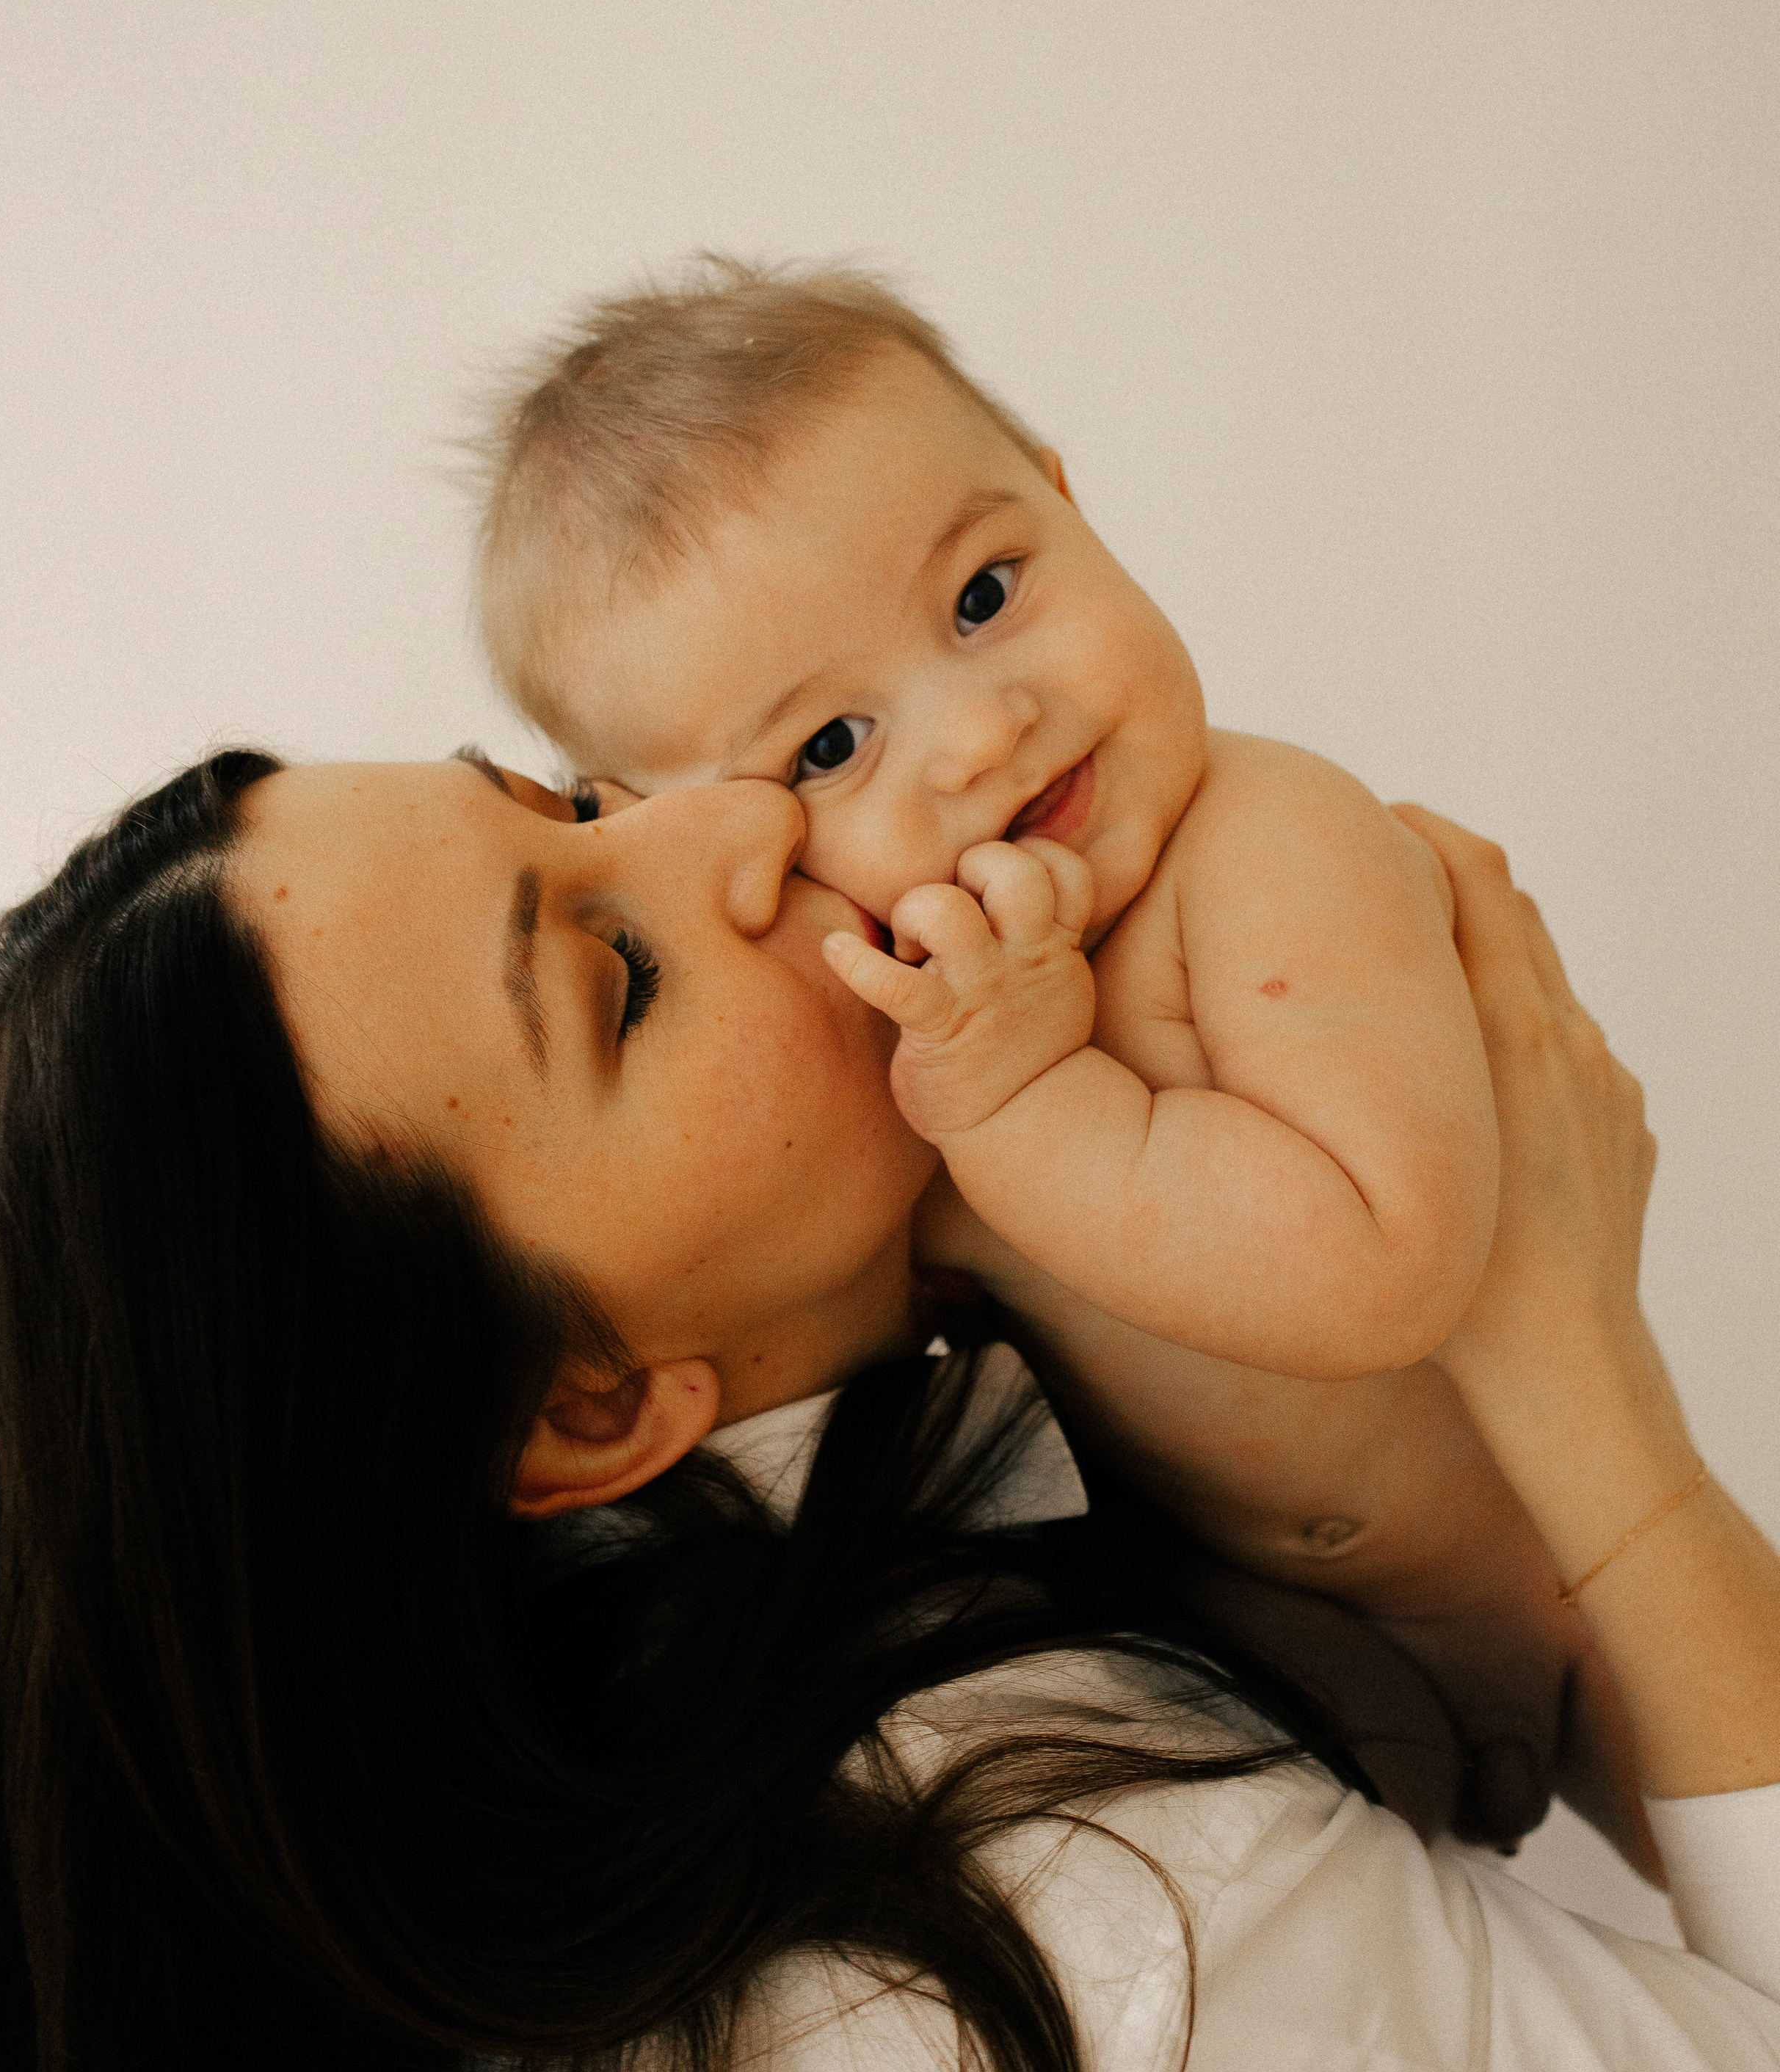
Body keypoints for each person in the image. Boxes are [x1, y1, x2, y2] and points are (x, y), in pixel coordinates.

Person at [0, 750, 1774, 2072]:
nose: (743, 815)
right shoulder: (1088, 1966)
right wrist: (1573, 1371)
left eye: (570, 802)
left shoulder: (650, 1852)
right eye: (615, 977)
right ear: (597, 1405)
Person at [473, 258, 1499, 1381]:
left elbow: (1383, 1272)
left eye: (984, 595)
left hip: (1531, 1563)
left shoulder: (1268, 843)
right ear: (715, 838)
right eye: (830, 746)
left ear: (1068, 504)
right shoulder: (917, 1033)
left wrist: (1025, 1099)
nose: (979, 738)